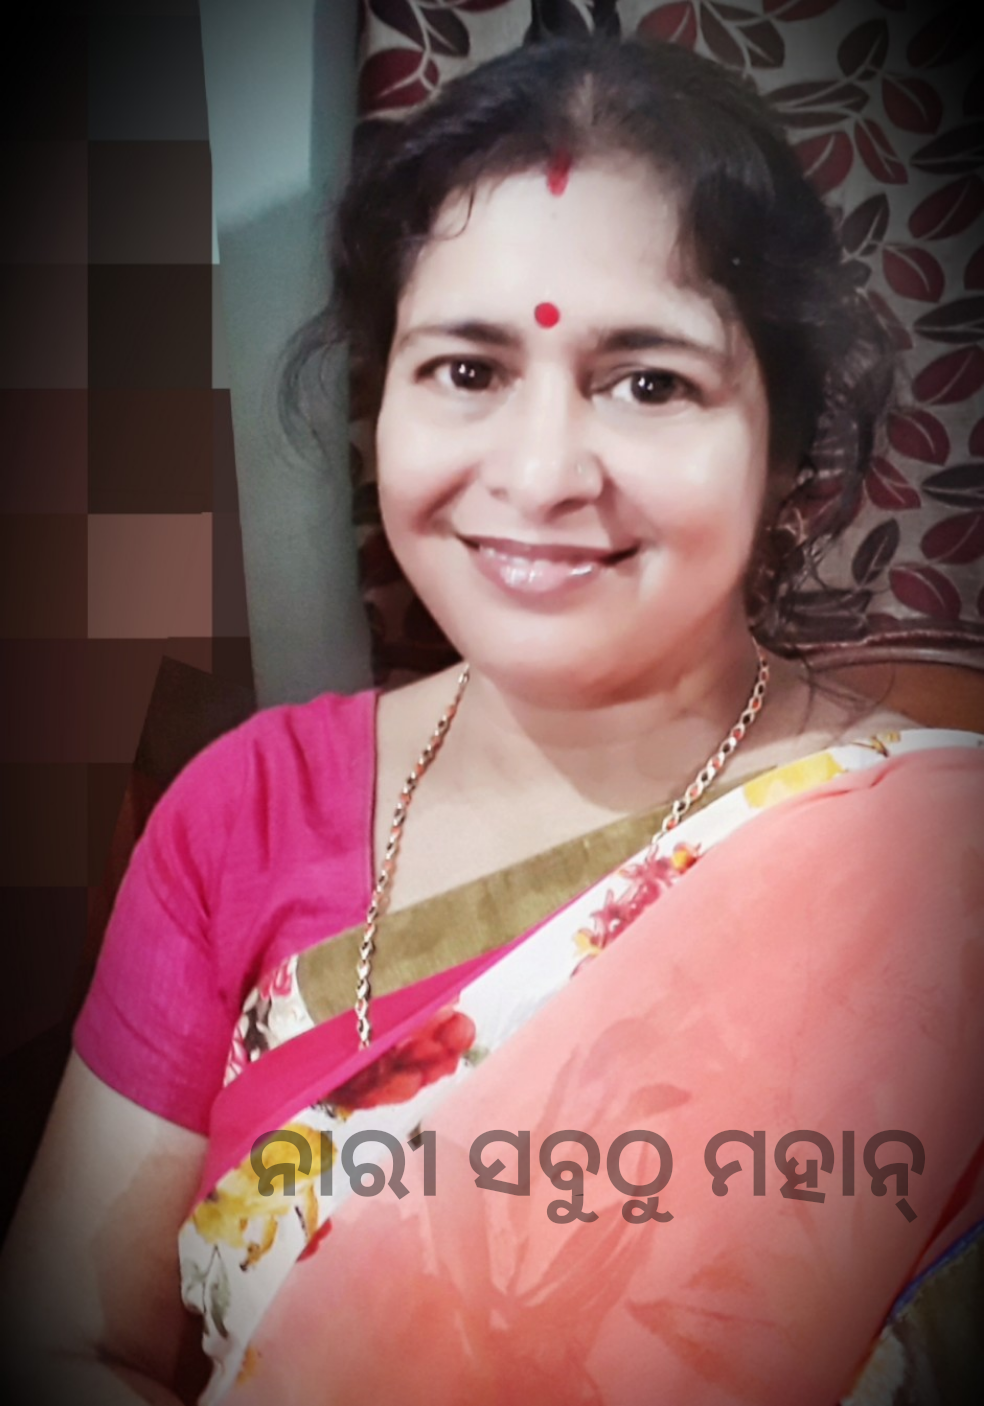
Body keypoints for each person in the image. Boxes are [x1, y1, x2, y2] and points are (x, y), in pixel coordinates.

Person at [2, 34, 983, 1406]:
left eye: (650, 381)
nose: (537, 475)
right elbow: (65, 1339)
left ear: (784, 451)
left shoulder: (932, 873)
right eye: (467, 370)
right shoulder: (242, 811)